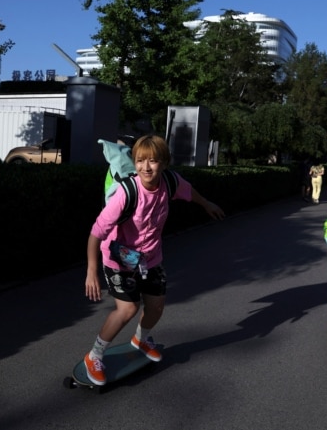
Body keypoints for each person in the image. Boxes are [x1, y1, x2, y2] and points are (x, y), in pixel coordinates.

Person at [84, 134, 225, 386]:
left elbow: (189, 191)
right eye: (140, 161)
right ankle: (94, 355)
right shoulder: (127, 193)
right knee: (127, 309)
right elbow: (96, 232)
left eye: (152, 161)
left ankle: (140, 338)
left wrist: (206, 204)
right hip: (119, 257)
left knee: (156, 306)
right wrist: (92, 270)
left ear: (164, 163)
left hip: (150, 257)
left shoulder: (170, 182)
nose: (146, 167)